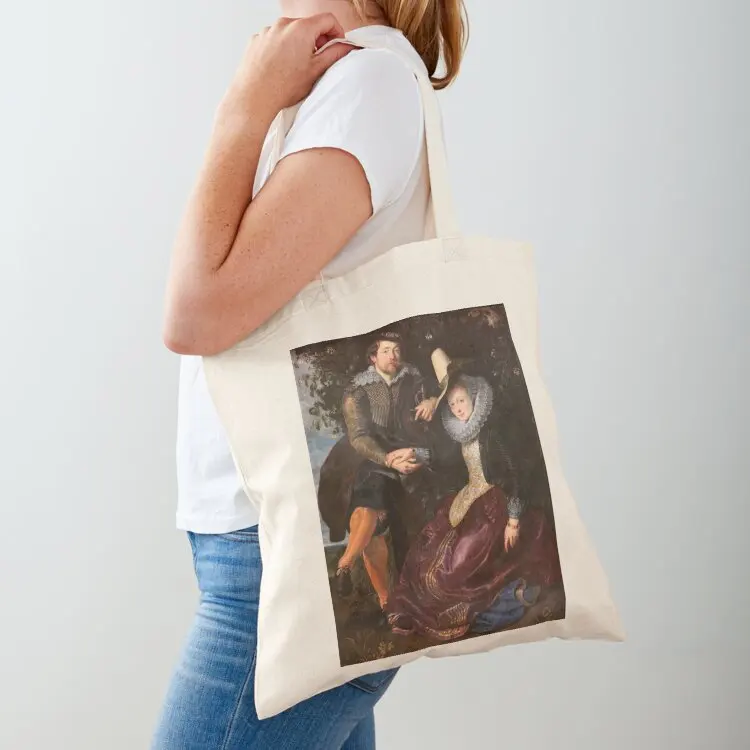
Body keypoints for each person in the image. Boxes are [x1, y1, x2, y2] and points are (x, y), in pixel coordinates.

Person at [152, 2, 468, 749]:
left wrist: (244, 105)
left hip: (284, 574)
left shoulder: (369, 84)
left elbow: (195, 313)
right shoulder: (334, 82)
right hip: (264, 553)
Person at [386, 349, 563, 641]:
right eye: (452, 402)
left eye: (461, 400)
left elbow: (515, 473)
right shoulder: (461, 431)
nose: (456, 408)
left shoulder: (494, 430)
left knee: (454, 568)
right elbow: (449, 464)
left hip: (498, 504)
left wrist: (514, 520)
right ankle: (411, 611)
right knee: (427, 551)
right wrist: (416, 453)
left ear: (474, 397)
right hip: (469, 500)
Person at [318, 331, 438, 612]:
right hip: (366, 456)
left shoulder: (415, 379)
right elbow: (359, 436)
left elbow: (443, 391)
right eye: (386, 351)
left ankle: (348, 564)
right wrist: (387, 459)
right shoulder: (358, 389)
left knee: (389, 512)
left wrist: (433, 401)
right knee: (369, 496)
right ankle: (381, 594)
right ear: (373, 357)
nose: (393, 356)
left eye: (396, 350)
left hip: (410, 451)